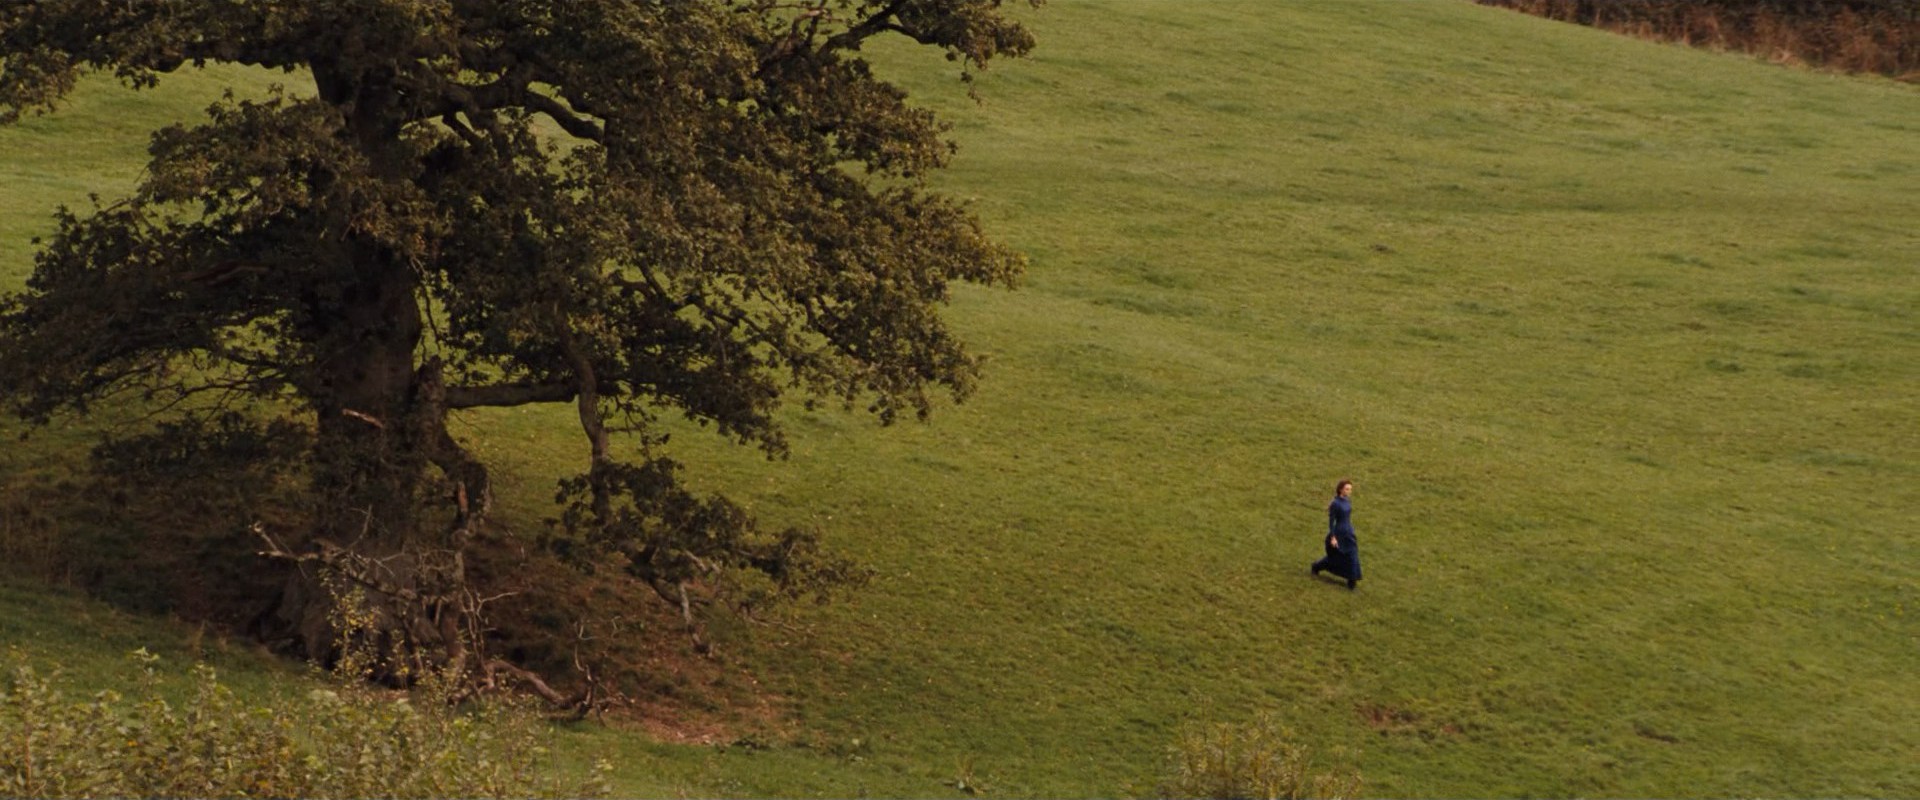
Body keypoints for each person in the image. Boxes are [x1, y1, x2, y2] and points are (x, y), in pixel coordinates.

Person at [1310, 479, 1361, 590]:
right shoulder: (1336, 504)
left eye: (1350, 489)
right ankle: (1316, 566)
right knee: (1336, 557)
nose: (1349, 491)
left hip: (1349, 533)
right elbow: (1331, 522)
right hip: (1339, 534)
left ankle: (1352, 581)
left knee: (1353, 555)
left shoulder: (1347, 501)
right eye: (1347, 489)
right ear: (1340, 489)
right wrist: (1333, 537)